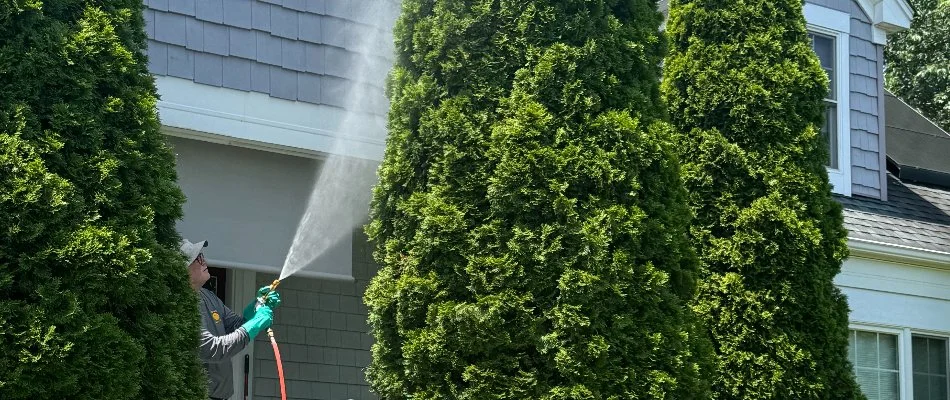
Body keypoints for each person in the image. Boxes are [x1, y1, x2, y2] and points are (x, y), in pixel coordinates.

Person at [181, 239, 281, 400]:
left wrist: (256, 306)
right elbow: (213, 349)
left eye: (202, 255)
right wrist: (255, 324)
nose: (204, 260)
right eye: (197, 258)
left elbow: (235, 326)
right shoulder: (182, 306)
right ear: (182, 269)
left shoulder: (207, 296)